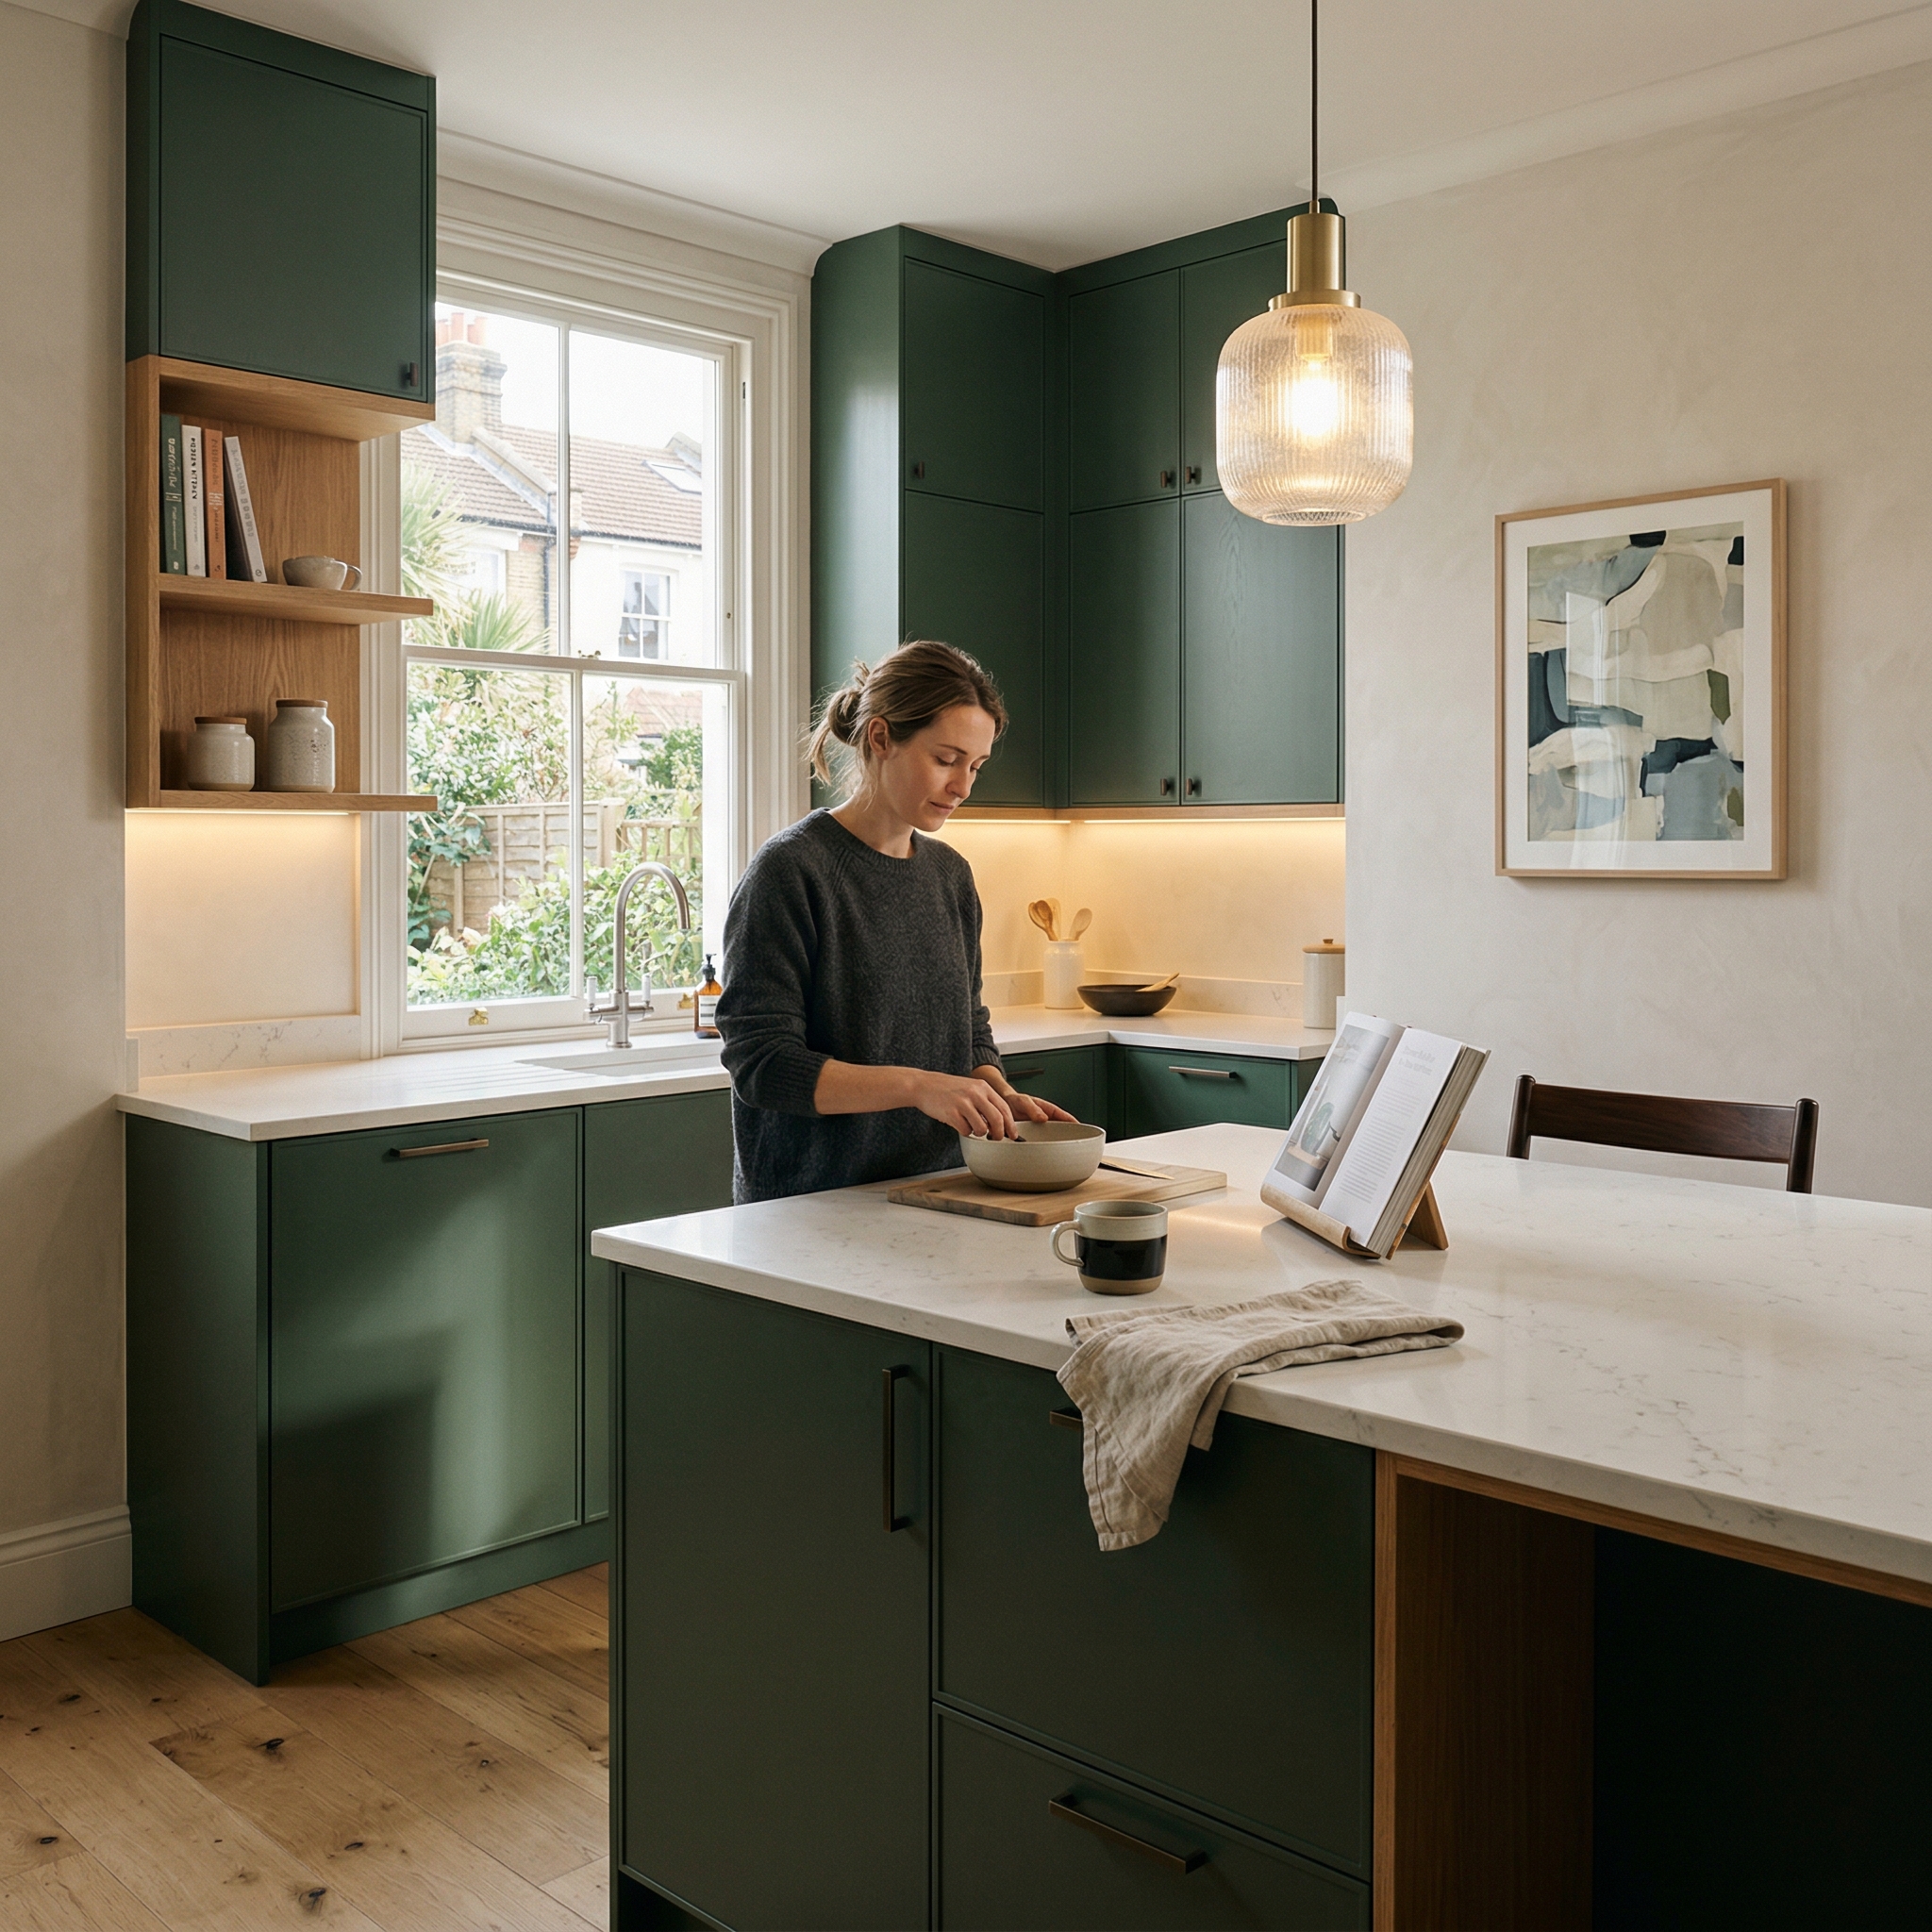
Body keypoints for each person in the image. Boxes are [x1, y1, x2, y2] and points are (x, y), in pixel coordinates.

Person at [717, 640, 1074, 1203]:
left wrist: (997, 1093)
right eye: (946, 759)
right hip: (810, 1211)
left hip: (937, 1192)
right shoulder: (790, 872)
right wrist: (916, 1086)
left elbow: (969, 1031)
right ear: (881, 738)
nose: (963, 787)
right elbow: (762, 1065)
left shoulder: (951, 877)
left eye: (975, 766)